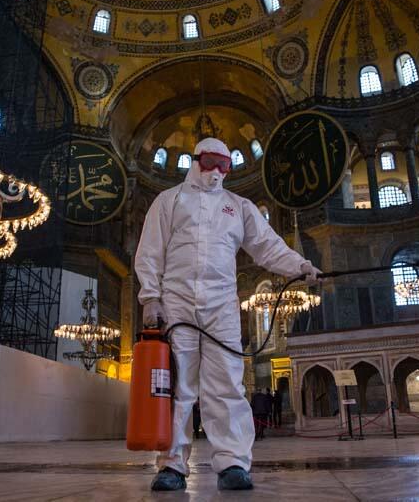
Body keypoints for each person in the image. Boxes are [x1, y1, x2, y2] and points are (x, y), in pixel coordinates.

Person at [135, 137, 321, 491]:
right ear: (196, 160)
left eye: (225, 165)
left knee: (227, 384)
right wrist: (150, 298)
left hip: (221, 303)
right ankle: (172, 465)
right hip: (177, 302)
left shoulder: (238, 206)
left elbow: (266, 246)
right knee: (180, 386)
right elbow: (149, 252)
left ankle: (233, 462)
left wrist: (300, 266)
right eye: (210, 162)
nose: (217, 172)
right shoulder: (169, 200)